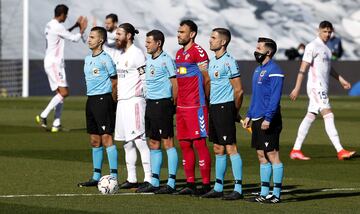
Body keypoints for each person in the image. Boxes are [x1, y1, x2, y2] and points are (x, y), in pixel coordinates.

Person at [289, 21, 355, 160]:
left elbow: (328, 68)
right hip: (315, 86)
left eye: (329, 32)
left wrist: (341, 80)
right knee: (328, 114)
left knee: (310, 116)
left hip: (321, 86)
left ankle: (296, 150)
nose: (327, 34)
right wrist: (297, 87)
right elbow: (303, 68)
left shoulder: (327, 48)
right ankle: (340, 150)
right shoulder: (312, 46)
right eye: (325, 31)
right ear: (318, 31)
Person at [201, 28, 244, 200]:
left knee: (230, 148)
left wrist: (234, 112)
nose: (210, 40)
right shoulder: (212, 62)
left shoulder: (229, 62)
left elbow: (239, 91)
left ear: (223, 42)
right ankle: (218, 187)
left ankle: (238, 188)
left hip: (225, 108)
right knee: (218, 148)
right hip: (214, 107)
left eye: (213, 38)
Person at [136, 30, 179, 194]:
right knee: (153, 142)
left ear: (158, 43)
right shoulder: (148, 60)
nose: (146, 45)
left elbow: (175, 84)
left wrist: (172, 105)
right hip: (151, 105)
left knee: (167, 142)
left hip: (163, 104)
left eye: (149, 42)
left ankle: (171, 182)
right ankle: (154, 181)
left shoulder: (167, 60)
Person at [243, 37, 284, 204]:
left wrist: (268, 118)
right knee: (261, 155)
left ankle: (276, 195)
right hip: (258, 118)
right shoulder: (257, 70)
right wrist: (249, 115)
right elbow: (256, 97)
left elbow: (275, 97)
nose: (256, 50)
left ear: (268, 52)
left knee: (272, 154)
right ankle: (264, 192)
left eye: (259, 48)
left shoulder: (275, 70)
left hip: (270, 119)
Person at [36, 4, 87, 132]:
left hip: (49, 61)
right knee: (64, 92)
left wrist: (75, 26)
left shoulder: (49, 24)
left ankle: (56, 124)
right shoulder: (58, 27)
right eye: (66, 15)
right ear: (62, 14)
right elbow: (74, 39)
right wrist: (81, 30)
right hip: (55, 63)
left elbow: (61, 34)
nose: (66, 17)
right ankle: (43, 115)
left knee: (59, 94)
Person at [174, 20, 211, 195]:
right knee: (184, 144)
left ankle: (205, 185)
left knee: (199, 144)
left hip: (196, 106)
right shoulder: (179, 54)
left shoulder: (199, 52)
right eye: (178, 32)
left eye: (182, 32)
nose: (179, 35)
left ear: (192, 34)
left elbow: (207, 79)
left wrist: (207, 101)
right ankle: (190, 183)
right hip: (181, 107)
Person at [77, 26, 118, 187]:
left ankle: (114, 176)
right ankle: (96, 176)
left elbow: (115, 82)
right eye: (89, 37)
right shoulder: (88, 59)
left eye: (92, 37)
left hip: (104, 100)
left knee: (107, 137)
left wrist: (112, 101)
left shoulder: (106, 59)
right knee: (94, 140)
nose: (89, 39)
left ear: (100, 40)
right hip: (91, 101)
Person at [113, 23, 152, 190]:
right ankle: (132, 178)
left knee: (139, 141)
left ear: (128, 36)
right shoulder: (121, 55)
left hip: (134, 102)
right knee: (127, 143)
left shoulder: (137, 54)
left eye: (119, 34)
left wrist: (145, 98)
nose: (116, 37)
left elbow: (144, 78)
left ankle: (149, 178)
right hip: (122, 103)